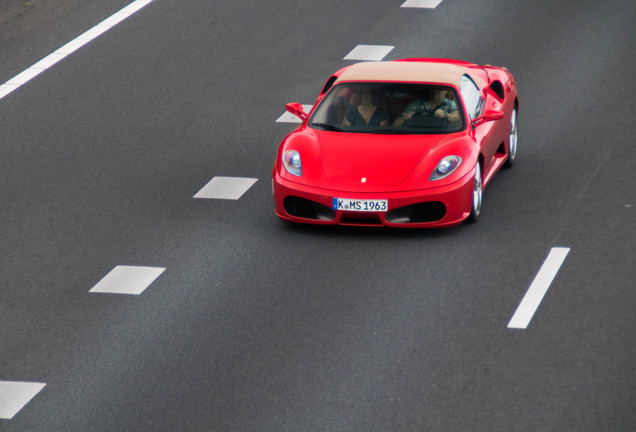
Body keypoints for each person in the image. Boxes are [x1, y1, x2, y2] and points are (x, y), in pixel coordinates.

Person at [393, 88, 460, 126]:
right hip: (417, 135)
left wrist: (446, 115)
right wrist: (405, 118)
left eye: (440, 89)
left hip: (442, 136)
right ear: (429, 91)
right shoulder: (417, 104)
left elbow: (456, 116)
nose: (436, 91)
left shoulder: (450, 104)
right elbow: (395, 125)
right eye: (433, 89)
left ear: (446, 91)